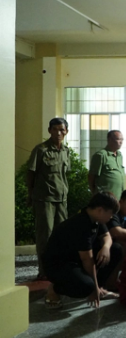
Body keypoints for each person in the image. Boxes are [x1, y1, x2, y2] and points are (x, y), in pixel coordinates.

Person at [42, 192, 123, 309]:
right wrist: (93, 289)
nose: (111, 217)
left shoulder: (95, 218)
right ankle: (54, 289)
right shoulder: (81, 223)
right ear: (100, 210)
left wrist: (105, 247)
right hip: (58, 265)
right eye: (111, 214)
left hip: (76, 260)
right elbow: (87, 260)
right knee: (86, 287)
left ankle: (98, 288)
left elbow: (107, 236)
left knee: (115, 249)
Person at [27, 117, 71, 280]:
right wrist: (30, 194)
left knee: (62, 235)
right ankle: (44, 272)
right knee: (45, 236)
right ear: (49, 131)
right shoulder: (41, 150)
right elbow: (30, 173)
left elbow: (64, 176)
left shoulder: (65, 151)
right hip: (44, 199)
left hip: (62, 199)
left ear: (66, 131)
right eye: (55, 129)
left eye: (62, 130)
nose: (58, 133)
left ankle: (58, 269)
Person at [88, 130, 125, 199]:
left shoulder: (119, 155)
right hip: (104, 198)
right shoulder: (101, 155)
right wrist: (95, 194)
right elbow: (91, 177)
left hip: (118, 197)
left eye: (122, 139)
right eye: (118, 139)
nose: (121, 142)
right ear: (109, 140)